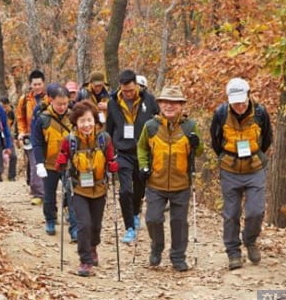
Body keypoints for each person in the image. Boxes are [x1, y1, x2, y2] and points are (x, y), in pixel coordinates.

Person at [137, 86, 203, 271]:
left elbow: (199, 151)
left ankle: (178, 256)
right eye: (166, 102)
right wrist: (143, 166)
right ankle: (157, 248)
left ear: (181, 106)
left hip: (181, 183)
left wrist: (196, 144)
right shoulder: (150, 126)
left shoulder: (190, 126)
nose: (169, 106)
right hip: (155, 183)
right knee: (152, 219)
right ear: (159, 104)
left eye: (174, 103)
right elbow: (142, 148)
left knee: (179, 222)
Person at [210, 78, 272, 270]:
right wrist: (227, 158)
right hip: (230, 169)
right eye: (235, 102)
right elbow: (215, 140)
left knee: (256, 211)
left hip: (255, 168)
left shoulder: (260, 113)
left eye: (242, 101)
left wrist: (253, 155)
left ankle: (250, 240)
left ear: (249, 96)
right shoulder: (220, 114)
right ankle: (233, 253)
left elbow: (267, 139)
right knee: (231, 213)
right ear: (229, 100)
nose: (239, 105)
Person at [55, 100, 119, 276]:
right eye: (82, 121)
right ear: (76, 122)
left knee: (96, 226)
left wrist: (113, 165)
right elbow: (61, 161)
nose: (86, 124)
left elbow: (110, 158)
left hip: (99, 187)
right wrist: (60, 163)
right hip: (78, 188)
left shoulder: (104, 139)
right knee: (84, 224)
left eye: (89, 120)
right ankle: (85, 261)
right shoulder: (70, 141)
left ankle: (92, 247)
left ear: (95, 120)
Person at [106, 69, 159, 243]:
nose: (128, 94)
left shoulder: (148, 100)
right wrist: (108, 152)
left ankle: (136, 212)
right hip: (122, 151)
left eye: (131, 90)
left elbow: (158, 121)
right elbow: (109, 128)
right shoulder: (113, 102)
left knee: (139, 188)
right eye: (124, 90)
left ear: (136, 85)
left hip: (143, 151)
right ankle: (129, 227)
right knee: (125, 190)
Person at [31, 85, 77, 240]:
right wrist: (39, 163)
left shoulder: (73, 116)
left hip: (69, 164)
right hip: (49, 164)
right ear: (51, 100)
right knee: (49, 195)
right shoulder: (42, 118)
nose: (62, 107)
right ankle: (50, 219)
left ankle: (74, 227)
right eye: (59, 104)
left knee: (71, 195)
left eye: (65, 104)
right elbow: (36, 142)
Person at [16, 69, 47, 204]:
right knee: (35, 164)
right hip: (31, 135)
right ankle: (38, 194)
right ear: (30, 85)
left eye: (39, 84)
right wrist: (21, 132)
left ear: (43, 83)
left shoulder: (50, 98)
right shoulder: (24, 100)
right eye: (34, 84)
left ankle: (47, 191)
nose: (37, 87)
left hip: (48, 135)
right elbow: (20, 118)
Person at [0, 97, 18, 181]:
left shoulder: (12, 114)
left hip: (8, 136)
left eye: (5, 106)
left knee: (13, 156)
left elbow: (15, 125)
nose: (4, 109)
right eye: (2, 107)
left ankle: (11, 176)